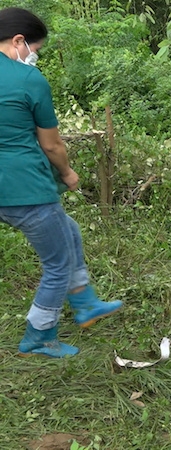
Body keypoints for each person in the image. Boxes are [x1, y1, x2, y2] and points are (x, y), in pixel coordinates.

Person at [0, 7, 123, 358]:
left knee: (67, 229)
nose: (33, 57)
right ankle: (39, 335)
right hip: (24, 188)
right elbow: (52, 144)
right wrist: (68, 174)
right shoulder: (28, 80)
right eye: (35, 50)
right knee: (56, 264)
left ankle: (85, 302)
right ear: (19, 41)